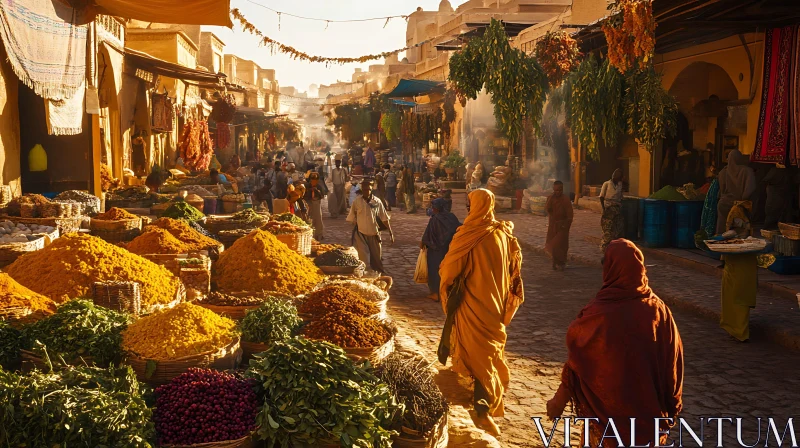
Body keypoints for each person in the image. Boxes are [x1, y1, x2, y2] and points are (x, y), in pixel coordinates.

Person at [546, 239, 684, 447]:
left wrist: (557, 404)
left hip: (605, 425)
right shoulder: (659, 311)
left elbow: (579, 363)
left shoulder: (598, 315)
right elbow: (673, 363)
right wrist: (671, 405)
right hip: (647, 421)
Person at [438, 189, 524, 437]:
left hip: (471, 307)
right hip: (494, 308)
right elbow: (514, 272)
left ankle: (483, 411)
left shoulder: (467, 236)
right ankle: (484, 405)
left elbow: (449, 272)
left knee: (478, 360)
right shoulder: (503, 234)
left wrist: (445, 286)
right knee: (488, 355)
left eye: (468, 205)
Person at [347, 179, 394, 274]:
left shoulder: (377, 202)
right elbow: (351, 218)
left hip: (374, 233)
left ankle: (379, 275)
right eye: (364, 189)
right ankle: (365, 276)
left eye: (368, 189)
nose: (366, 191)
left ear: (371, 189)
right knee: (364, 258)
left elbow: (384, 217)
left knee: (377, 259)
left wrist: (390, 233)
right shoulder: (357, 202)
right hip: (361, 234)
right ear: (362, 189)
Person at [421, 198, 461, 301]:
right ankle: (447, 291)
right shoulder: (452, 217)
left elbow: (428, 235)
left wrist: (424, 243)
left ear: (435, 208)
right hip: (450, 248)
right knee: (447, 270)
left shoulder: (435, 219)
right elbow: (458, 228)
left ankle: (436, 293)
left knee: (435, 271)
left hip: (436, 250)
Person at [716, 150, 756, 234]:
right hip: (740, 205)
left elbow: (722, 190)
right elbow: (750, 189)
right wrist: (742, 200)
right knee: (739, 232)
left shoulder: (722, 172)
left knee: (723, 230)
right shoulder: (747, 171)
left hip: (724, 204)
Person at [545, 180, 573, 271]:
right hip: (553, 225)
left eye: (560, 190)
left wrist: (566, 225)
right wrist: (550, 198)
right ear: (553, 189)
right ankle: (554, 262)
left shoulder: (565, 199)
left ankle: (562, 262)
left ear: (562, 190)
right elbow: (547, 209)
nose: (558, 192)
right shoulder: (551, 198)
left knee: (560, 245)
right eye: (556, 190)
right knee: (552, 245)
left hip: (563, 225)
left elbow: (570, 214)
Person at [599, 169, 624, 253]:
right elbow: (601, 197)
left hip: (617, 209)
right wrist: (603, 209)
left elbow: (621, 197)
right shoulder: (606, 184)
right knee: (608, 231)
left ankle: (614, 249)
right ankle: (605, 250)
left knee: (617, 230)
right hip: (609, 209)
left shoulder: (620, 185)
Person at [305, 172, 326, 240]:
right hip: (309, 203)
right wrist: (309, 191)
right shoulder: (307, 186)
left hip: (317, 203)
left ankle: (319, 234)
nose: (314, 181)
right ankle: (310, 234)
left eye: (315, 180)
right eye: (312, 179)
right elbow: (304, 196)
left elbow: (322, 196)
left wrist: (317, 191)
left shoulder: (319, 186)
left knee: (318, 219)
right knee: (310, 218)